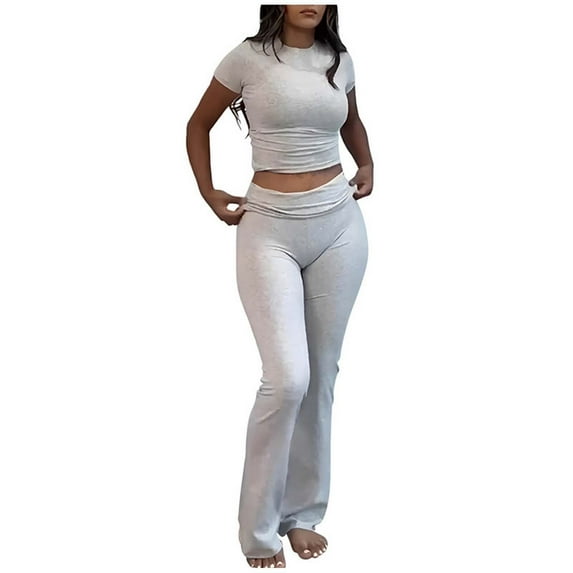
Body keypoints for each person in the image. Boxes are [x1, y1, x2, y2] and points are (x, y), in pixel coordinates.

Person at [186, 4, 374, 568]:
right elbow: (197, 124)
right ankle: (259, 530)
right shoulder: (246, 58)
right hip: (268, 227)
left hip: (339, 224)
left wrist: (367, 163)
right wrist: (208, 191)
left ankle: (303, 514)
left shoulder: (338, 59)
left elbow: (351, 120)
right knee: (288, 378)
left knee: (322, 376)